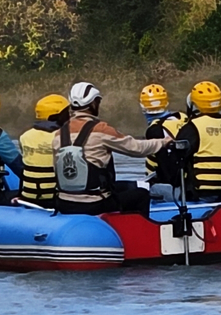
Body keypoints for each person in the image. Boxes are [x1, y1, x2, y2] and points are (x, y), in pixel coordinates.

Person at [55, 81, 172, 216]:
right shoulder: (101, 129)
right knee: (141, 195)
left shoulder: (59, 134)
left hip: (64, 202)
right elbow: (137, 148)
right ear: (93, 104)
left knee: (122, 186)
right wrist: (163, 142)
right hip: (94, 204)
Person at [171, 79, 221, 201]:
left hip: (201, 193)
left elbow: (175, 158)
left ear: (193, 103)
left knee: (156, 190)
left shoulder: (192, 127)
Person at [18, 94, 69, 208]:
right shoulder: (64, 137)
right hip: (54, 198)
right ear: (56, 116)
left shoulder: (25, 136)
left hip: (28, 196)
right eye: (66, 113)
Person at [139, 83, 189, 192]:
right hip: (189, 180)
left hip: (169, 185)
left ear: (142, 106)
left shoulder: (154, 130)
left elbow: (162, 165)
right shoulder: (183, 117)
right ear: (166, 103)